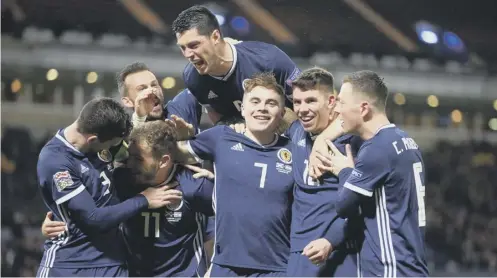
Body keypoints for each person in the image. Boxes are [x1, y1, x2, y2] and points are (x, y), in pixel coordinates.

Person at [36, 98, 179, 277]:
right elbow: (94, 218)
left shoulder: (103, 131)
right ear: (93, 139)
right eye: (111, 145)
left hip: (113, 264)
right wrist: (144, 199)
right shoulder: (55, 161)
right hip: (71, 265)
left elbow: (151, 147)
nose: (116, 149)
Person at [174, 72, 294, 276]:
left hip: (277, 267)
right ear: (244, 109)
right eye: (255, 101)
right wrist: (174, 136)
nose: (262, 108)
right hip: (226, 265)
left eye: (271, 103)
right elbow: (172, 154)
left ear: (282, 113)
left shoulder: (294, 151)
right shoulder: (221, 138)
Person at [322, 70, 429, 277]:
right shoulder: (406, 141)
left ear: (363, 108)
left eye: (342, 103)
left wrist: (345, 170)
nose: (336, 109)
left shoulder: (377, 148)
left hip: (390, 268)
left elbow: (344, 205)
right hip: (410, 264)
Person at [284, 68, 363, 277]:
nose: (302, 109)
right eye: (297, 102)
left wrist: (332, 239)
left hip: (341, 254)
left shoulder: (353, 143)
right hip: (299, 257)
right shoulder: (296, 132)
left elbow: (363, 202)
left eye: (311, 101)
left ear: (331, 102)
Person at [172, 5, 299, 128]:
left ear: (215, 37)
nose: (188, 54)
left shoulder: (268, 59)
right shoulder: (192, 77)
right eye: (183, 47)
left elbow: (306, 101)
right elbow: (215, 115)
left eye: (194, 45)